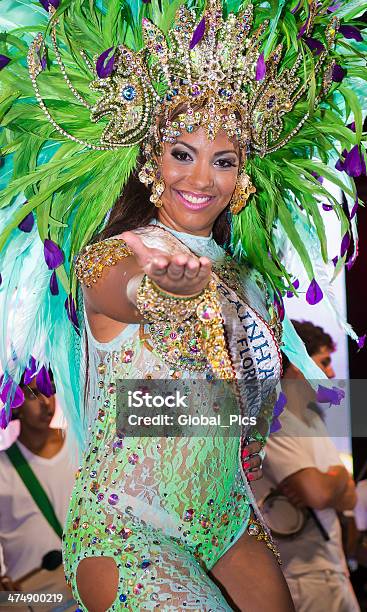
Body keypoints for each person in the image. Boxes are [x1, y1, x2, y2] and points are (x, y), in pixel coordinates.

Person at [0, 0, 365, 610]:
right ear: (151, 161)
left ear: (243, 173)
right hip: (129, 528)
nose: (201, 178)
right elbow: (114, 286)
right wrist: (161, 291)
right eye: (181, 153)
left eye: (223, 159)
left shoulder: (254, 287)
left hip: (227, 526)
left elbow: (240, 419)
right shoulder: (123, 251)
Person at [254, 351, 359, 612]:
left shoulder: (314, 422)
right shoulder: (273, 422)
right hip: (302, 575)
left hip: (334, 570)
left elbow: (351, 496)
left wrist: (334, 481)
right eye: (323, 362)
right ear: (298, 364)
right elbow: (318, 494)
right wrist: (336, 481)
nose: (332, 374)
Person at [0, 374, 75, 590]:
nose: (46, 401)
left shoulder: (80, 446)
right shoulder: (3, 467)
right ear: (14, 404)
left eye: (49, 389)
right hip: (30, 591)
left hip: (85, 584)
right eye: (33, 394)